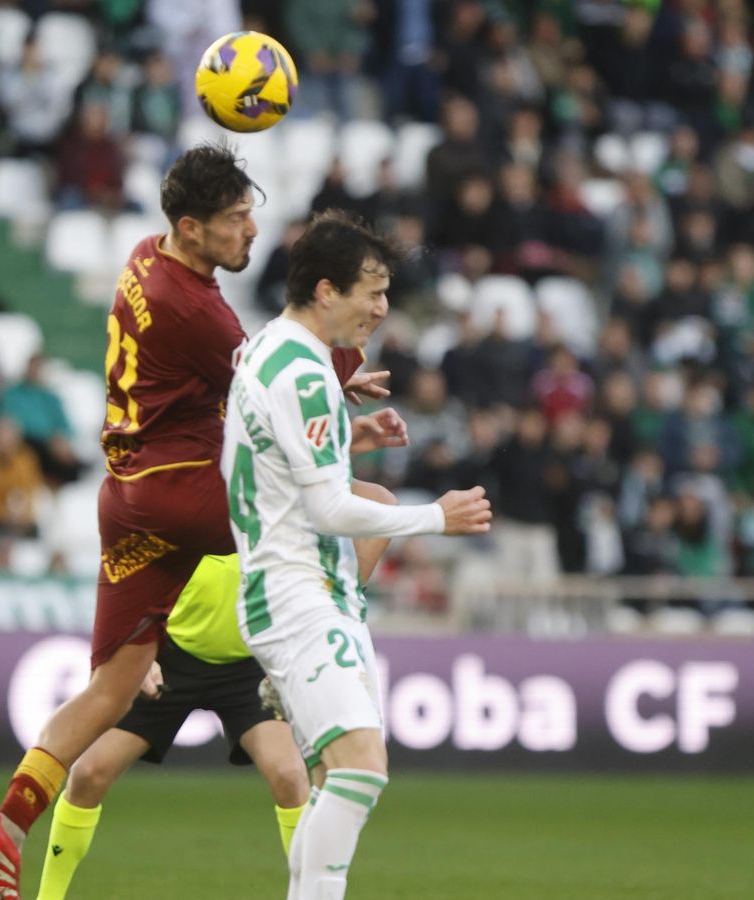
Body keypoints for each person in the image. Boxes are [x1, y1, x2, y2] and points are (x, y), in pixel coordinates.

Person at [0, 144, 388, 899]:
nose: (250, 232)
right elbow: (266, 372)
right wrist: (344, 379)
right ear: (190, 227)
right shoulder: (190, 305)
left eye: (251, 213)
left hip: (125, 500)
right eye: (233, 220)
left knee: (110, 692)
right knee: (354, 513)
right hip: (181, 488)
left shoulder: (142, 255)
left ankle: (7, 823)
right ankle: (303, 665)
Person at [222, 211, 492, 899]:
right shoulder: (307, 375)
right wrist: (436, 516)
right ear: (324, 290)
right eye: (370, 291)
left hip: (293, 588)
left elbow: (272, 457)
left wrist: (346, 431)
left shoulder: (265, 350)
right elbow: (329, 509)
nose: (382, 307)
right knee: (361, 769)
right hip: (297, 591)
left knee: (331, 778)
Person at [36, 483, 396, 900]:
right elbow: (132, 582)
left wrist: (344, 598)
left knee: (290, 775)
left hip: (250, 666)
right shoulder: (183, 497)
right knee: (87, 774)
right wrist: (139, 654)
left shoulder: (280, 479)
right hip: (169, 655)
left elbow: (382, 505)